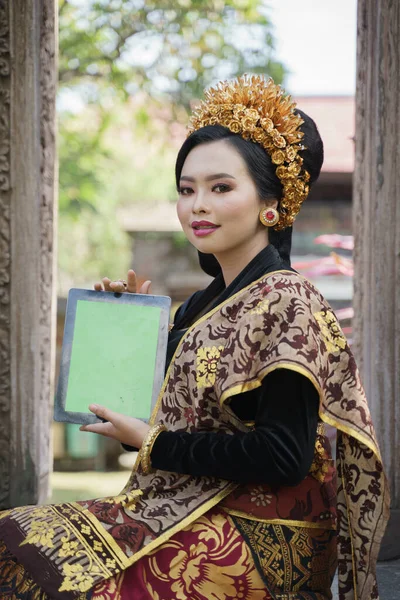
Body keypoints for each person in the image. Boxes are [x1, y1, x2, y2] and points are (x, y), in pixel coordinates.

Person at [0, 75, 389, 600]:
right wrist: (128, 325)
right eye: (187, 189)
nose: (197, 205)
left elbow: (286, 456)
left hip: (268, 536)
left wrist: (153, 444)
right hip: (193, 504)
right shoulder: (201, 305)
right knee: (11, 539)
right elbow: (153, 399)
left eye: (220, 187)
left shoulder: (288, 302)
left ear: (270, 203)